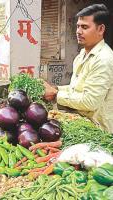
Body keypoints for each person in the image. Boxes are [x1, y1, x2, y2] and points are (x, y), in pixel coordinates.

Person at [44, 4, 113, 133]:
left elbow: (90, 102)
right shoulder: (81, 55)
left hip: (97, 130)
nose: (78, 31)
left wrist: (55, 95)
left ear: (100, 29)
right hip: (80, 122)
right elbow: (76, 89)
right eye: (78, 26)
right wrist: (55, 88)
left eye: (85, 27)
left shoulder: (104, 59)